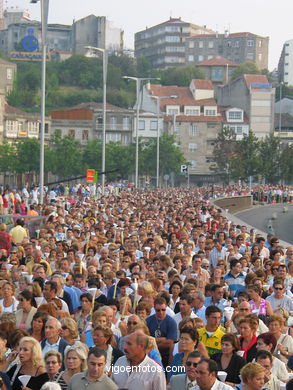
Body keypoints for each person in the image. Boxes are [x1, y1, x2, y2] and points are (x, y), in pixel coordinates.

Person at [146, 297, 177, 368]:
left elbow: (169, 343)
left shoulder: (171, 322)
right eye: (158, 310)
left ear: (166, 307)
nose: (161, 312)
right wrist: (162, 340)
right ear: (154, 308)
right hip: (150, 355)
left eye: (163, 310)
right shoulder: (148, 320)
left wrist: (153, 341)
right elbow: (146, 339)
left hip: (166, 355)